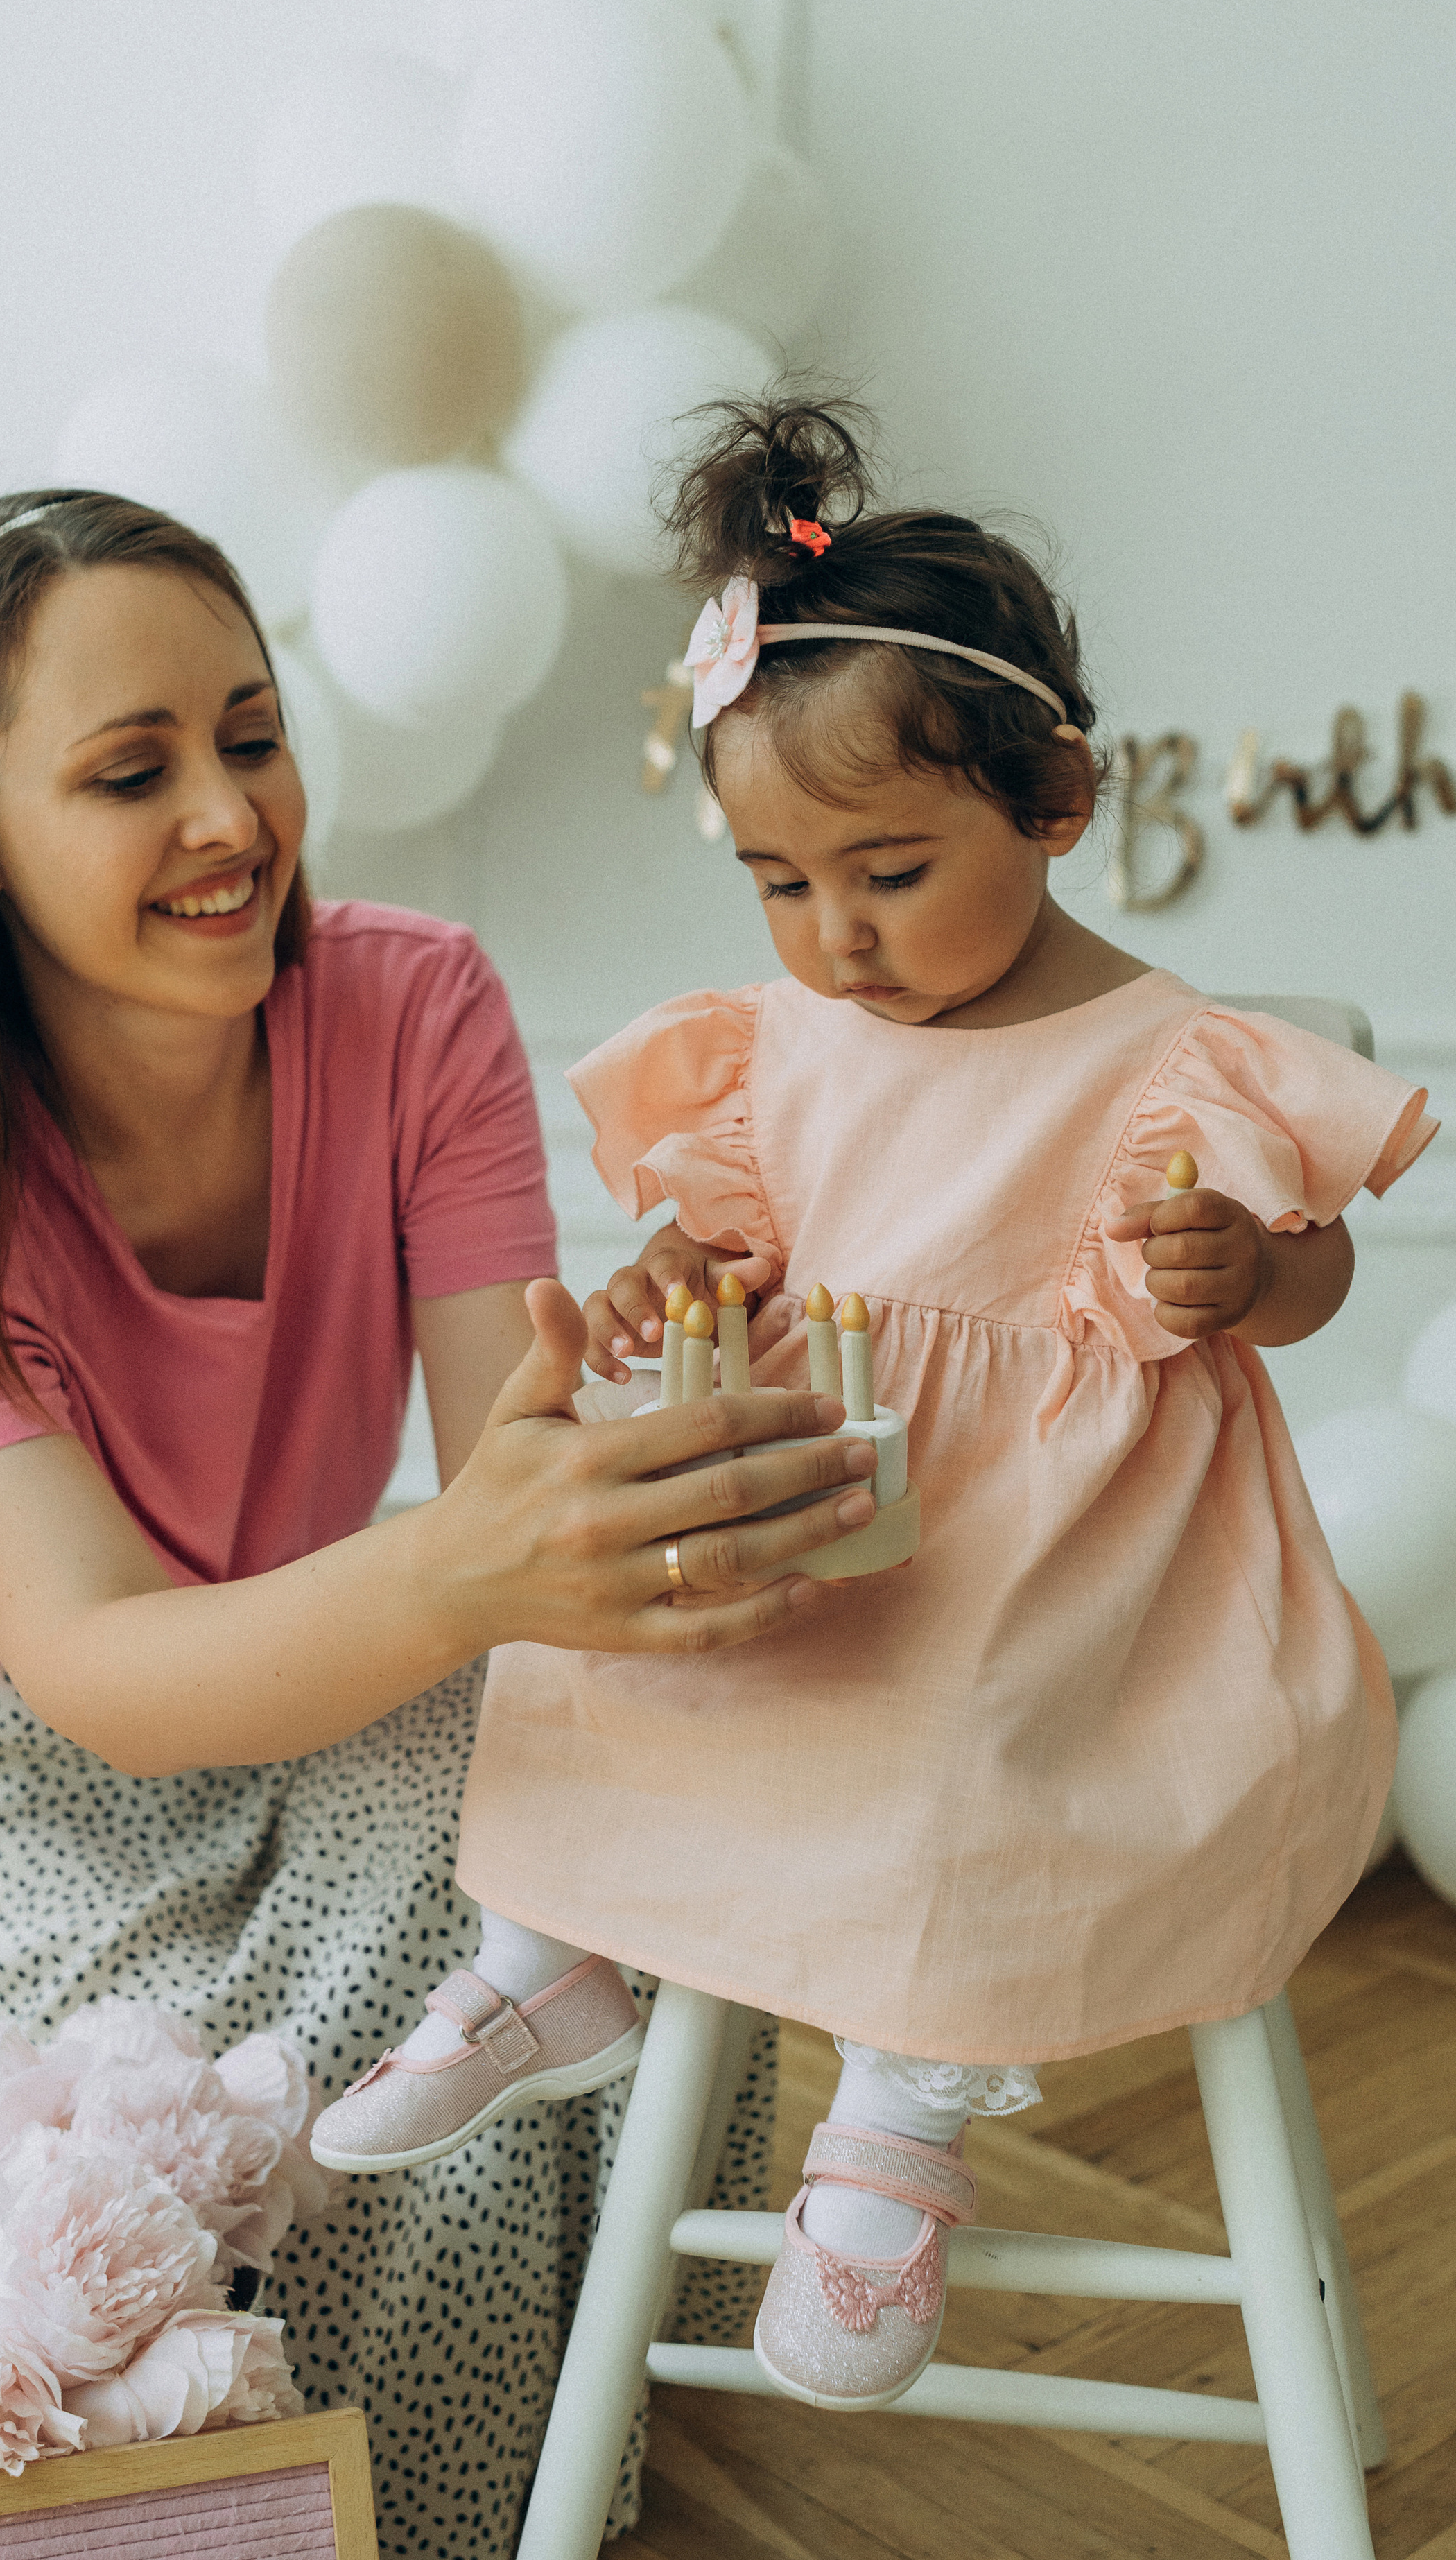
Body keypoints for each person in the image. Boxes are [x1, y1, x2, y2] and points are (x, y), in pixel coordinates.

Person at [0, 487, 882, 2560]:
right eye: (130, 772)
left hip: (344, 1673)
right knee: (170, 2196)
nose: (231, 815)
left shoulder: (415, 1010)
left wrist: (636, 1434)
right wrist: (484, 1560)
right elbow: (105, 1669)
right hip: (33, 1789)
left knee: (522, 1897)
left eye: (251, 735)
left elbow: (498, 1454)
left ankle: (464, 2491)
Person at [309, 396, 1437, 2413]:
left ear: (1056, 797)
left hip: (1079, 1588)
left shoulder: (1175, 1061)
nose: (836, 937)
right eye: (777, 882)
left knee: (967, 1755)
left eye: (892, 871)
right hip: (823, 1521)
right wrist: (674, 1283)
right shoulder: (780, 1045)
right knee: (593, 1636)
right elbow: (728, 1259)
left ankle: (897, 2129)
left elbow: (1319, 1268)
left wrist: (1252, 1274)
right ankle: (547, 1962)